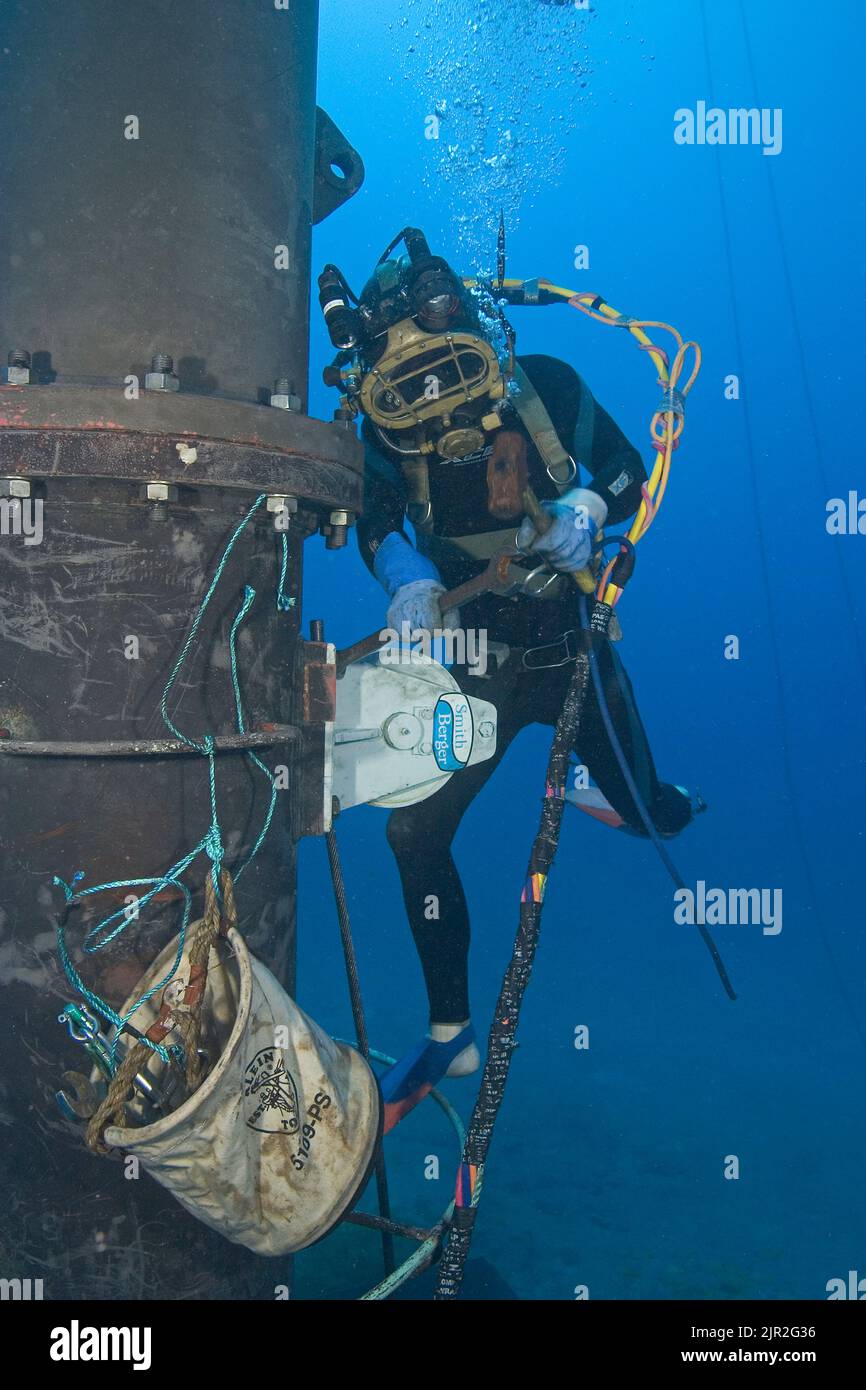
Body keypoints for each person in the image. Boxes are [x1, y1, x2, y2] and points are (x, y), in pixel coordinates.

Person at [320, 230, 704, 1096]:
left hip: (574, 655)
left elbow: (628, 468)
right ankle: (451, 1033)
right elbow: (373, 517)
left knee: (653, 814)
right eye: (409, 386)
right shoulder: (388, 440)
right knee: (412, 830)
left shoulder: (548, 391)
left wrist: (588, 499)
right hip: (474, 667)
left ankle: (628, 801)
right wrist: (402, 571)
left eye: (442, 373)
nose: (434, 404)